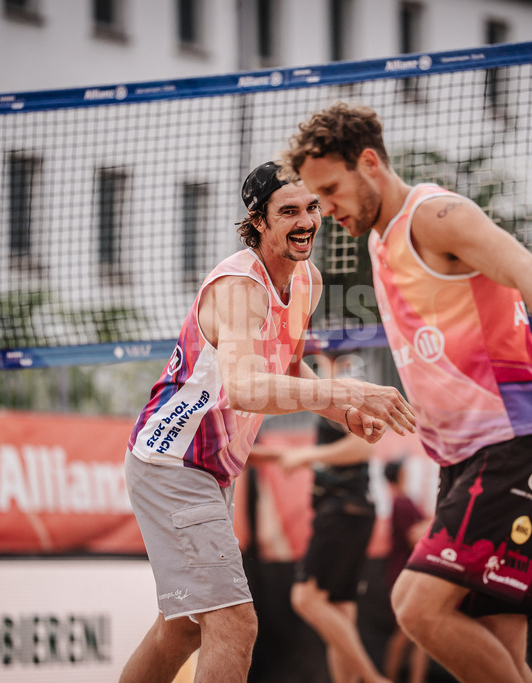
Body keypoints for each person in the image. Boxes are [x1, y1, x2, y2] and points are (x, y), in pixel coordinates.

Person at [286, 102, 532, 683]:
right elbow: (431, 349)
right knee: (501, 651)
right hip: (463, 459)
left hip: (512, 445)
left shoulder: (435, 215)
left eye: (330, 190)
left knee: (416, 607)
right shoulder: (378, 242)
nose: (324, 210)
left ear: (370, 162)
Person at [119, 161, 416, 683]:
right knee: (235, 624)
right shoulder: (240, 288)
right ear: (258, 221)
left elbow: (285, 366)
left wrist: (343, 413)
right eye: (289, 212)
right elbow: (248, 388)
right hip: (172, 461)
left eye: (311, 208)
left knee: (184, 628)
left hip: (209, 469)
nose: (306, 221)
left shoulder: (308, 281)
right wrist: (347, 389)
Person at [277, 350, 386, 683]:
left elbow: (365, 446)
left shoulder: (347, 384)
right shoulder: (330, 381)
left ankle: (372, 678)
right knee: (340, 614)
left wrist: (308, 454)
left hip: (342, 509)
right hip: (351, 509)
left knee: (305, 598)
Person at [381, 459, 430, 683]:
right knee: (403, 634)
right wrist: (437, 523)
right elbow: (414, 537)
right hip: (404, 576)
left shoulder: (407, 501)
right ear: (398, 474)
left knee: (421, 638)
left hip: (417, 576)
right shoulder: (401, 504)